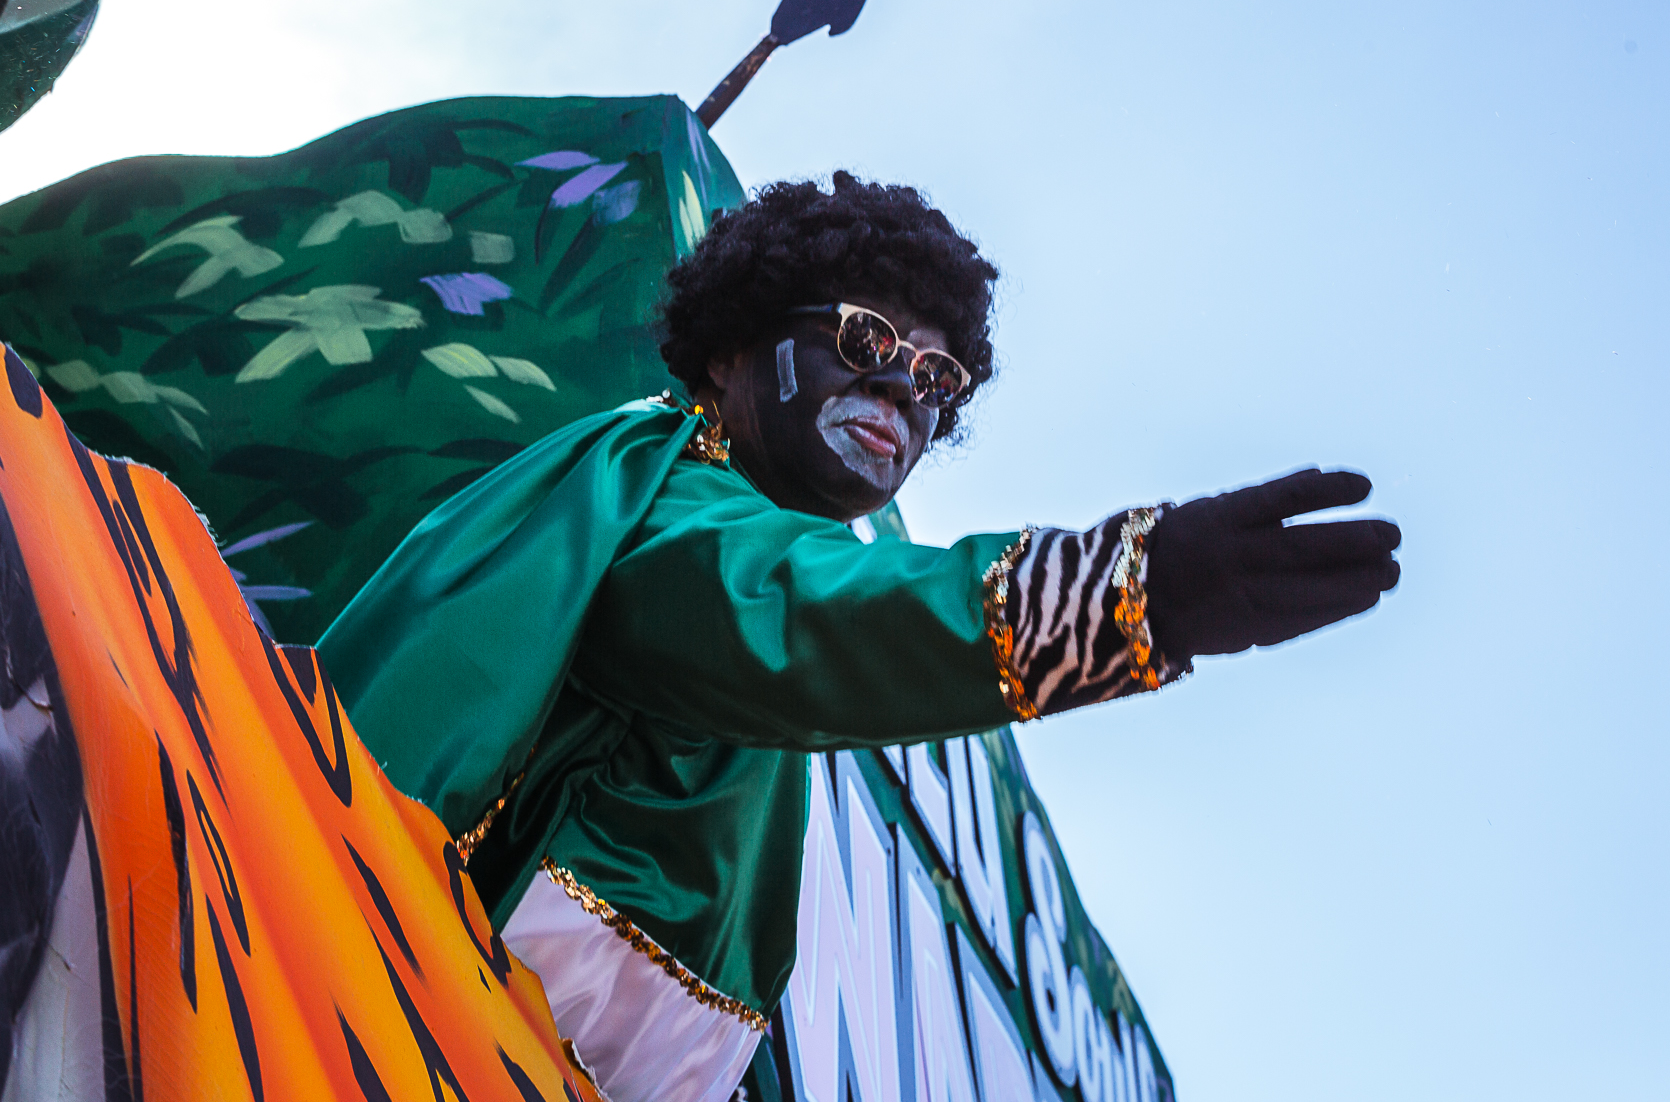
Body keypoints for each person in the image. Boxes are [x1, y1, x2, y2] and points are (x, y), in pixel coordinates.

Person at [317, 172, 1402, 1102]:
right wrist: (1129, 594)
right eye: (865, 338)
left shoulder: (701, 545)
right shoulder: (660, 501)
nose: (900, 388)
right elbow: (802, 611)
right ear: (733, 352)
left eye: (939, 381)